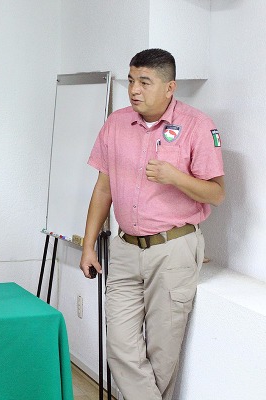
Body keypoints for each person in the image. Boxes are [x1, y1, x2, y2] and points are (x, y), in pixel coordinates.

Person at [79, 49, 225, 400]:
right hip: (125, 248)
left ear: (170, 87)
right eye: (131, 80)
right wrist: (88, 245)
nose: (134, 90)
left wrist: (175, 177)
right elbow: (103, 188)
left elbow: (217, 194)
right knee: (120, 345)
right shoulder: (116, 123)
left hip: (173, 249)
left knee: (162, 354)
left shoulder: (197, 125)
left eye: (145, 82)